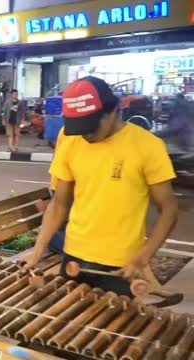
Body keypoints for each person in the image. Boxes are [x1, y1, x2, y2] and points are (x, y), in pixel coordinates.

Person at [24, 76, 179, 297]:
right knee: (67, 325)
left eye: (91, 127)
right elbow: (59, 203)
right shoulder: (69, 140)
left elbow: (169, 210)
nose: (85, 135)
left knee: (116, 328)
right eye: (79, 128)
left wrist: (143, 257)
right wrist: (37, 251)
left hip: (121, 264)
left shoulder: (148, 146)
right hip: (74, 257)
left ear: (113, 110)